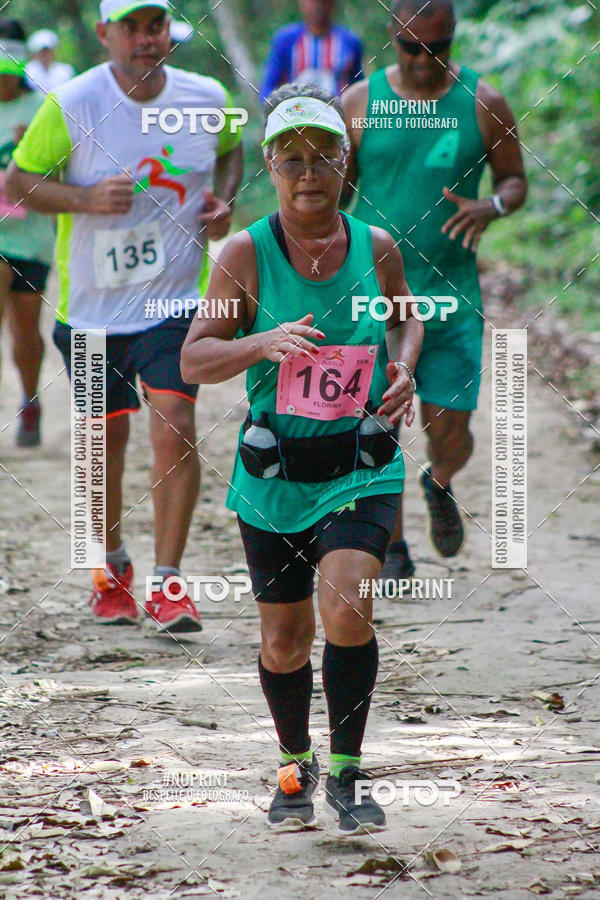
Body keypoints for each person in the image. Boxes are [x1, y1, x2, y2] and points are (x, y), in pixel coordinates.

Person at [181, 83, 423, 833]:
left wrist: (405, 367)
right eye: (292, 161)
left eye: (324, 157)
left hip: (361, 463)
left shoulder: (375, 246)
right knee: (283, 640)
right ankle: (294, 765)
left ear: (345, 164)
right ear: (270, 169)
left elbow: (407, 317)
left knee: (349, 605)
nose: (309, 173)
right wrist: (263, 341)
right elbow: (194, 359)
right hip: (277, 476)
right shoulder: (244, 255)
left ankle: (349, 777)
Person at [5, 0, 244, 631]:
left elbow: (232, 148)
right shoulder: (72, 102)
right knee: (102, 442)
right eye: (132, 27)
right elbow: (18, 182)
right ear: (106, 33)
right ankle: (109, 570)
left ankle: (169, 583)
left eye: (156, 25)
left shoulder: (207, 95)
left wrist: (226, 201)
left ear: (169, 32)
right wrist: (82, 197)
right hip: (90, 312)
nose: (145, 39)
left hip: (173, 301)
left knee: (175, 420)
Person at [342, 0, 527, 577]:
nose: (424, 61)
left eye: (438, 48)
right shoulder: (359, 103)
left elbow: (516, 180)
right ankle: (391, 545)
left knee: (451, 429)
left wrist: (492, 206)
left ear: (453, 39)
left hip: (451, 296)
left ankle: (440, 479)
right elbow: (335, 195)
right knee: (378, 420)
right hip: (374, 293)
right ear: (391, 37)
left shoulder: (483, 102)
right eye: (410, 47)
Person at [0, 18, 55, 446]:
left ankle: (30, 398)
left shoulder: (42, 110)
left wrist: (29, 155)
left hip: (32, 235)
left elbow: (64, 169)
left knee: (25, 331)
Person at [260, 0, 363, 101]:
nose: (318, 6)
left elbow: (358, 86)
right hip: (295, 113)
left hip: (337, 114)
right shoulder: (286, 40)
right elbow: (269, 86)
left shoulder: (349, 42)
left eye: (323, 1)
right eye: (313, 1)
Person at [25, 30, 75, 94]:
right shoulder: (28, 70)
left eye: (47, 51)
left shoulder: (66, 71)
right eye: (41, 52)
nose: (45, 55)